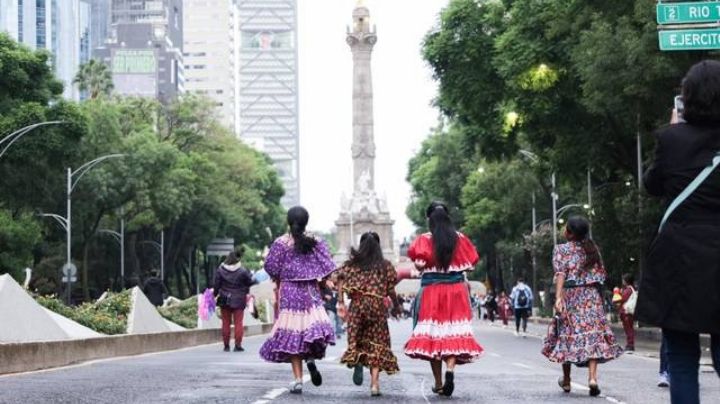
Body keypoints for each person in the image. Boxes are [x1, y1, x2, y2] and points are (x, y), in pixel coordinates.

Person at [637, 60, 720, 404]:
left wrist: (674, 130)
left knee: (682, 359)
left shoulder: (672, 139)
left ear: (687, 98)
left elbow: (652, 185)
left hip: (679, 259)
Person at [404, 201, 484, 397]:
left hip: (432, 291)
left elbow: (420, 265)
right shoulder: (460, 239)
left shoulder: (424, 239)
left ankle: (439, 382)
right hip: (456, 291)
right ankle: (450, 370)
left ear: (428, 219)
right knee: (451, 333)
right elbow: (469, 265)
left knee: (433, 335)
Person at [259, 206, 337, 394]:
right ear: (306, 222)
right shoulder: (316, 241)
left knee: (293, 331)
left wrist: (282, 274)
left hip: (289, 291)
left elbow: (270, 267)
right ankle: (309, 358)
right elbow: (327, 264)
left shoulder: (281, 243)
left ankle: (298, 379)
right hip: (310, 290)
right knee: (309, 327)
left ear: (288, 221)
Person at [542, 216, 623, 397]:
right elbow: (601, 276)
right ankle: (592, 379)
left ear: (568, 233)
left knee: (567, 335)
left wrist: (558, 297)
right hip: (591, 298)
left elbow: (561, 273)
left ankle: (567, 381)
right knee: (593, 337)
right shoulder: (593, 249)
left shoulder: (561, 249)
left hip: (571, 297)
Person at [336, 231, 400, 397]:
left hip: (357, 305)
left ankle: (358, 360)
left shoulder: (352, 265)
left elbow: (340, 281)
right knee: (377, 343)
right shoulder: (385, 265)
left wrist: (341, 302)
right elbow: (391, 289)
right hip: (377, 307)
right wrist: (397, 305)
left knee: (357, 338)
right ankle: (374, 384)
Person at [213, 247, 254, 352]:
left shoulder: (220, 270)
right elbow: (250, 282)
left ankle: (226, 346)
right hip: (239, 299)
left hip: (224, 299)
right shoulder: (243, 271)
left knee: (225, 322)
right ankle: (237, 345)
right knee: (238, 323)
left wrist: (214, 294)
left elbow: (216, 285)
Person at [616, 273, 636, 351]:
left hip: (627, 312)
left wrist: (617, 295)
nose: (622, 281)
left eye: (623, 280)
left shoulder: (628, 290)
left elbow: (622, 299)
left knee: (628, 329)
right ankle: (629, 344)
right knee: (629, 328)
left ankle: (630, 345)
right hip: (628, 312)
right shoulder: (631, 289)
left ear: (626, 281)